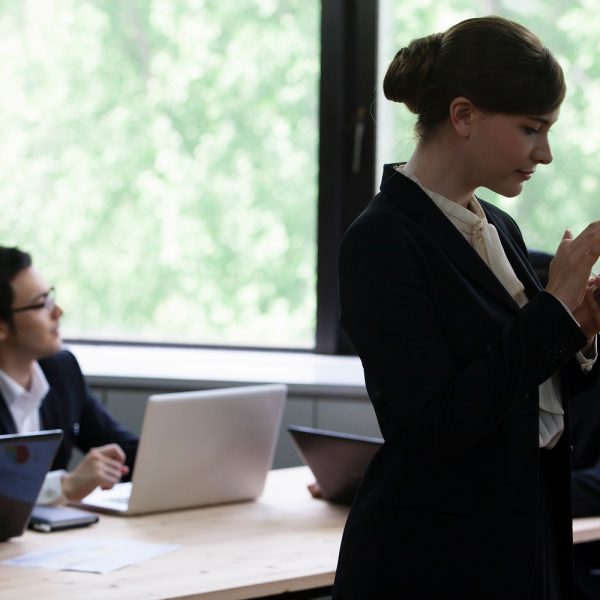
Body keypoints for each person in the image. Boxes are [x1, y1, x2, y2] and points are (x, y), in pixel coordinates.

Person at [332, 16, 600, 600]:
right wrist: (553, 309)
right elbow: (440, 423)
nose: (546, 153)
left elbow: (531, 393)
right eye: (532, 128)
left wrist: (579, 329)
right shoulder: (381, 240)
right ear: (463, 116)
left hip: (524, 541)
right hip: (435, 565)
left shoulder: (497, 224)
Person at [0, 246, 138, 504]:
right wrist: (65, 486)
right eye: (42, 303)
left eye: (51, 297)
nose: (58, 312)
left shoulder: (61, 371)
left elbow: (126, 451)